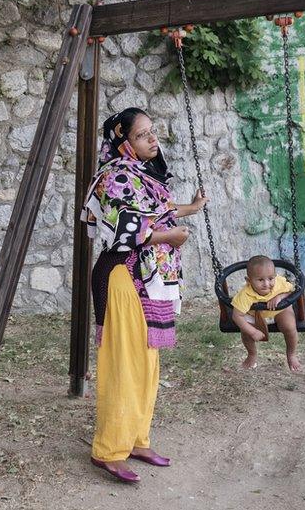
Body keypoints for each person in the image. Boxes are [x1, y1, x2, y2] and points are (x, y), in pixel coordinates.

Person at [81, 107, 206, 483]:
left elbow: (158, 210)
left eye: (152, 132)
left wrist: (192, 208)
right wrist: (170, 236)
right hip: (123, 276)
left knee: (147, 364)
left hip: (147, 280)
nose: (153, 140)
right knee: (124, 363)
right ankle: (109, 449)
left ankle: (136, 438)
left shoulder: (140, 176)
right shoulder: (116, 177)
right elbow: (127, 228)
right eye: (142, 135)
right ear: (123, 142)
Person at [230, 254, 302, 372]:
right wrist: (252, 331)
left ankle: (291, 354)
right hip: (254, 314)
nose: (267, 284)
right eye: (260, 280)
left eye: (270, 278)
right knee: (246, 333)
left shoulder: (279, 283)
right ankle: (252, 355)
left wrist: (280, 296)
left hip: (278, 310)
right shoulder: (245, 294)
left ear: (275, 276)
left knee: (290, 327)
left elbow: (292, 291)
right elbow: (237, 316)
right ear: (249, 281)